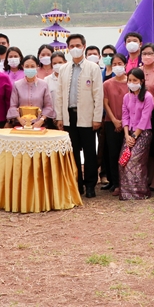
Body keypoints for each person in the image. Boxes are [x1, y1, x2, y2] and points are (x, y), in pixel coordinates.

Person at [54, 33, 104, 198]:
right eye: (72, 46)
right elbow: (59, 95)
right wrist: (60, 117)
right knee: (72, 151)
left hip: (87, 117)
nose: (75, 48)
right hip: (69, 116)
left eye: (78, 45)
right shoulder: (64, 69)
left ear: (84, 46)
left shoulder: (93, 67)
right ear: (68, 48)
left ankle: (90, 185)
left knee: (89, 152)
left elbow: (98, 95)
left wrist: (97, 118)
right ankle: (77, 184)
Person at [119, 68, 154, 200]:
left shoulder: (147, 96)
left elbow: (145, 119)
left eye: (135, 80)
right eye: (130, 80)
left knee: (135, 160)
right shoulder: (126, 97)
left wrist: (134, 136)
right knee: (123, 161)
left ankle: (140, 193)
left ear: (141, 81)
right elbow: (125, 116)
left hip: (143, 133)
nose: (132, 83)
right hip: (129, 134)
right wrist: (127, 135)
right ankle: (127, 193)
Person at [102, 53, 129, 195]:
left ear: (125, 64)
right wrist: (113, 120)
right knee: (113, 154)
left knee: (127, 153)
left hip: (128, 124)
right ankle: (116, 183)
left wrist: (124, 122)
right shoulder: (107, 83)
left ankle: (127, 183)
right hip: (111, 122)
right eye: (114, 64)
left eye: (120, 63)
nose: (117, 67)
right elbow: (105, 103)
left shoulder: (131, 82)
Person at [139, 43, 154, 189]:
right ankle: (144, 177)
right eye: (144, 53)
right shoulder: (137, 71)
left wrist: (147, 110)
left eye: (150, 53)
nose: (147, 56)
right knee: (143, 146)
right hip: (138, 115)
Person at [7, 55, 54, 128]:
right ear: (23, 67)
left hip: (39, 124)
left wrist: (41, 121)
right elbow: (13, 106)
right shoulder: (17, 85)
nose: (30, 69)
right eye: (27, 66)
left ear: (37, 67)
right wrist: (20, 120)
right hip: (21, 124)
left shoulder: (44, 84)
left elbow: (48, 106)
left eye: (32, 66)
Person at [47, 51, 67, 116]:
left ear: (65, 62)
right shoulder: (47, 80)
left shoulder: (70, 78)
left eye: (60, 62)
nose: (57, 65)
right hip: (52, 116)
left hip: (67, 116)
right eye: (54, 63)